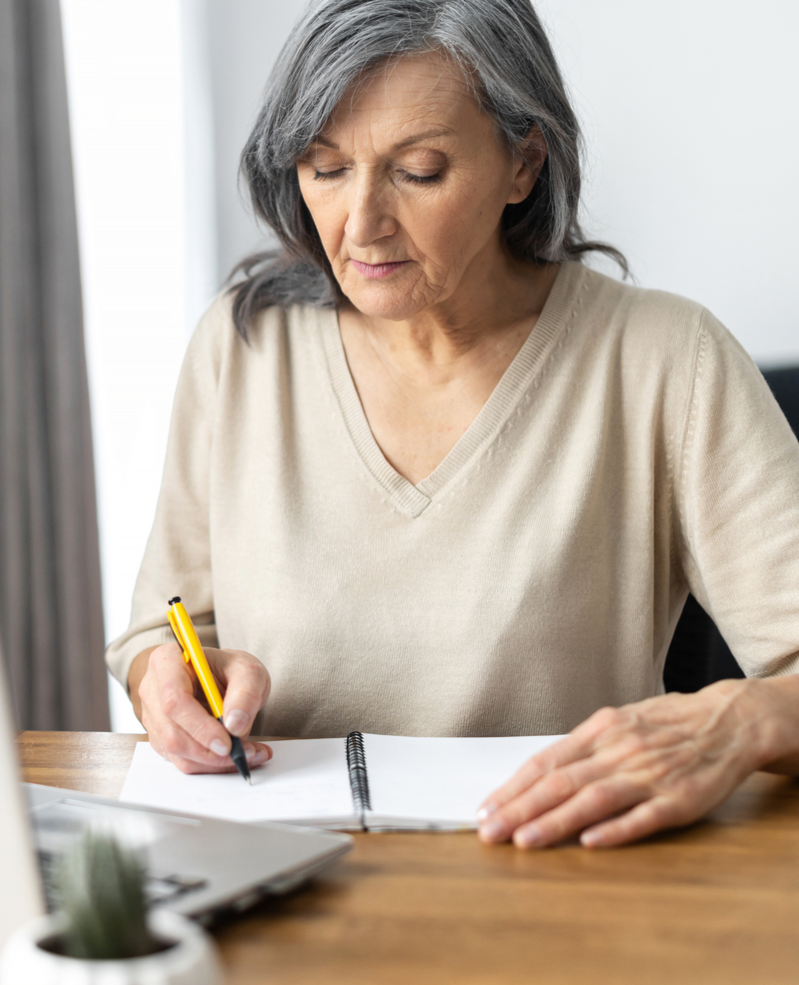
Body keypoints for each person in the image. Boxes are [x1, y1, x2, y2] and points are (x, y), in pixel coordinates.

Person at [107, 0, 799, 848]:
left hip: (556, 894)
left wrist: (735, 719)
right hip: (281, 888)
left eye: (420, 171)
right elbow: (162, 627)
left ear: (523, 163)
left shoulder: (666, 360)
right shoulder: (242, 344)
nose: (360, 226)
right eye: (324, 169)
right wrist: (168, 682)